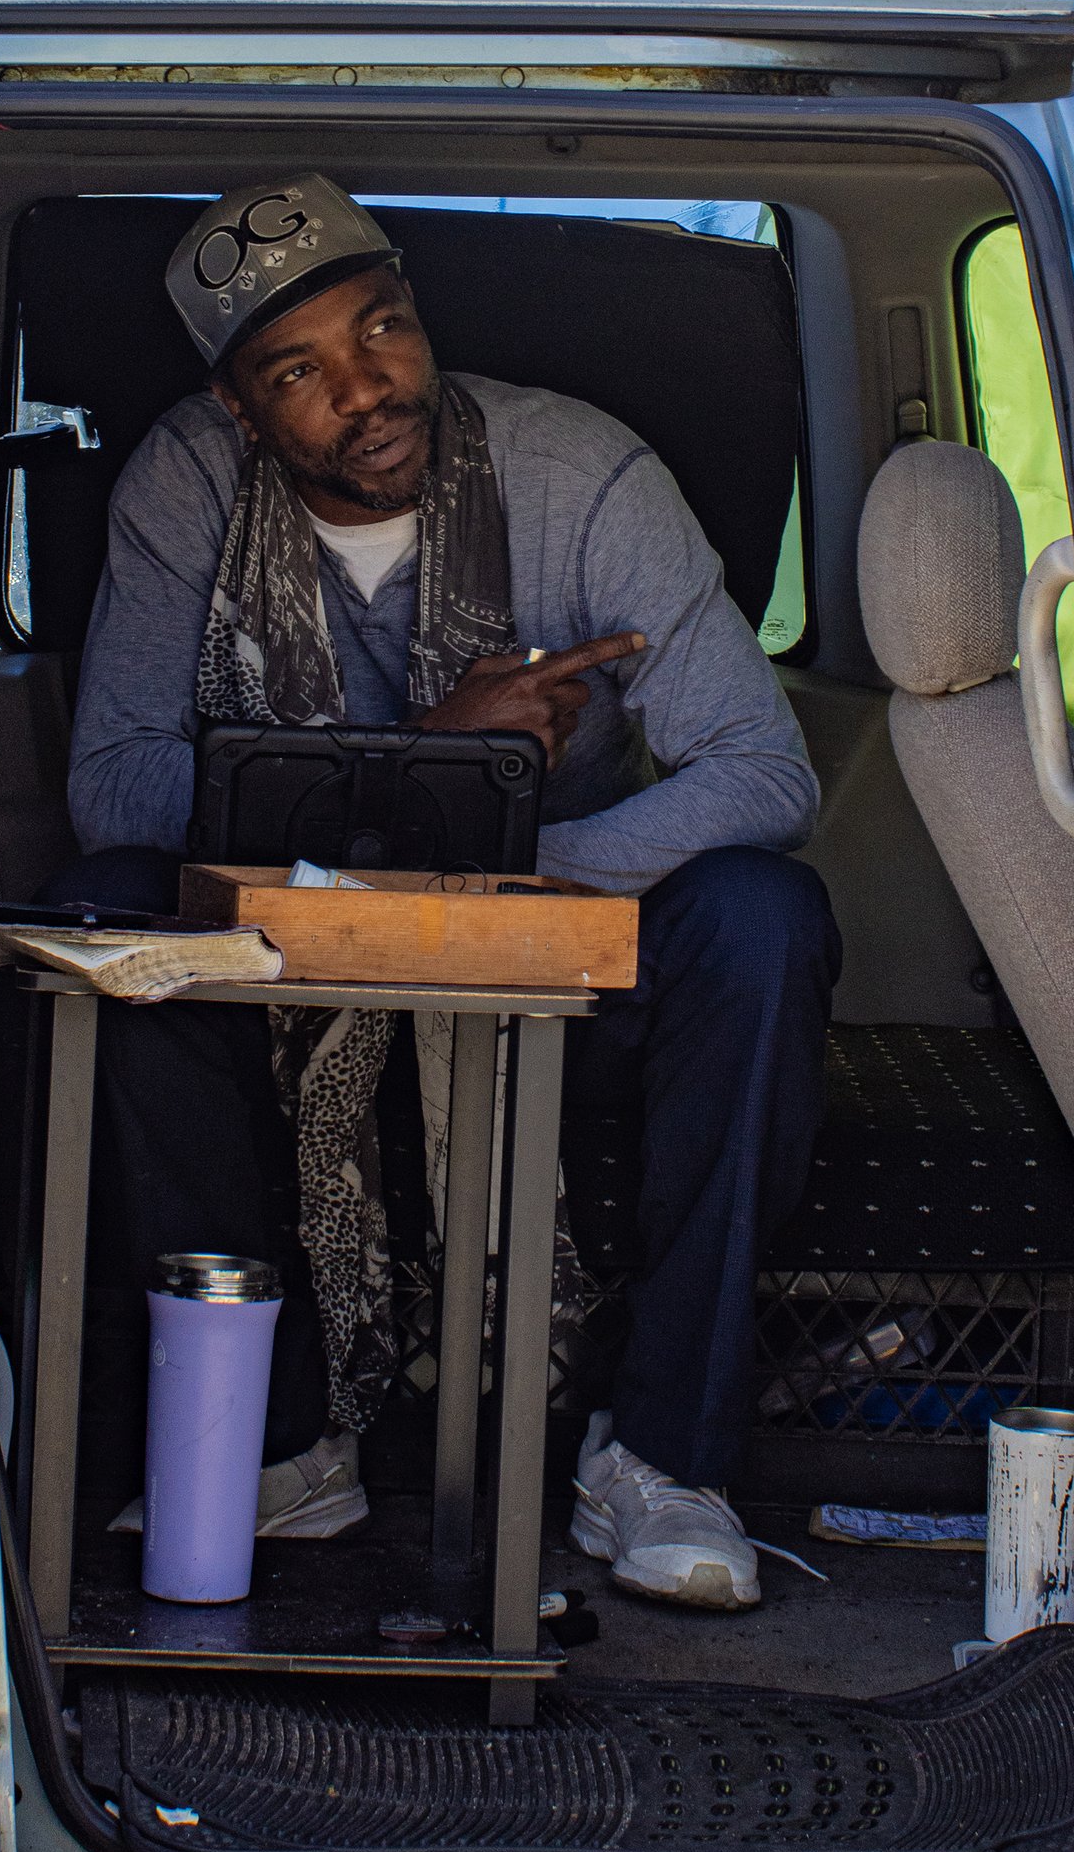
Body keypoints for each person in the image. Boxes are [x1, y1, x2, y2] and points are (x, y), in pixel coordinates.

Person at [59, 175, 841, 1611]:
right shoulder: (184, 484)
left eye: (383, 331)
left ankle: (665, 1455)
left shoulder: (580, 473)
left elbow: (763, 770)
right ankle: (280, 1440)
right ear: (239, 409)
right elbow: (112, 785)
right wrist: (425, 768)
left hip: (550, 971)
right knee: (114, 910)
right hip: (284, 977)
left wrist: (497, 878)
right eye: (300, 372)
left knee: (761, 921)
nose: (367, 390)